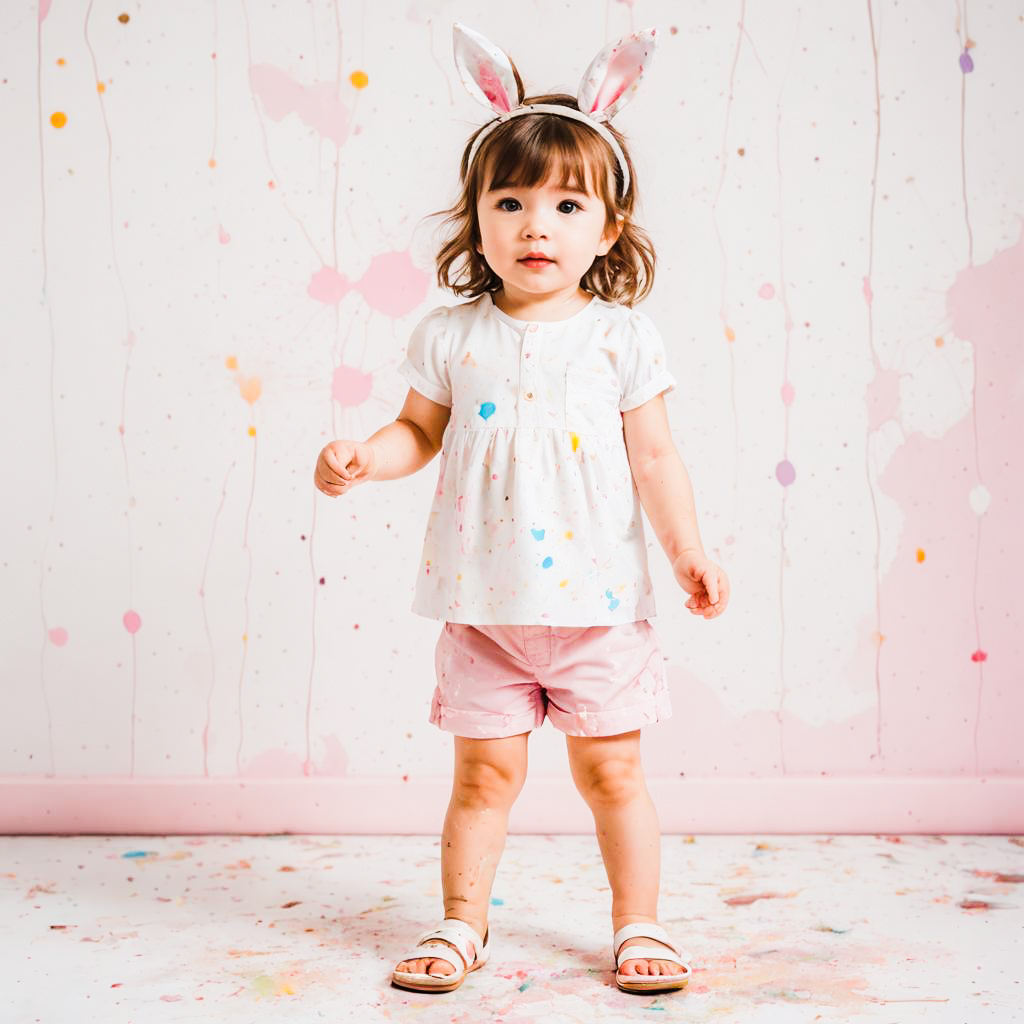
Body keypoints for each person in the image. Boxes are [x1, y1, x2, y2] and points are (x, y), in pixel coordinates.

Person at [313, 22, 730, 996]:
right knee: (482, 781)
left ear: (608, 227)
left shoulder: (620, 339)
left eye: (565, 203)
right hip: (486, 609)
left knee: (612, 777)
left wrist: (689, 553)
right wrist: (360, 457)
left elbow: (657, 456)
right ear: (477, 219)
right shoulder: (453, 335)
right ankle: (461, 923)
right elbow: (416, 432)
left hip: (598, 610)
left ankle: (638, 923)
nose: (535, 224)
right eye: (511, 202)